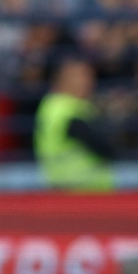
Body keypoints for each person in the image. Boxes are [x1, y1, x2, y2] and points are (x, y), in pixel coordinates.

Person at [35, 57, 114, 191]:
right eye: (80, 76)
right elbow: (104, 147)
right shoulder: (65, 110)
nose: (87, 81)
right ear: (61, 80)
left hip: (72, 189)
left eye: (89, 75)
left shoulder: (56, 105)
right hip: (78, 191)